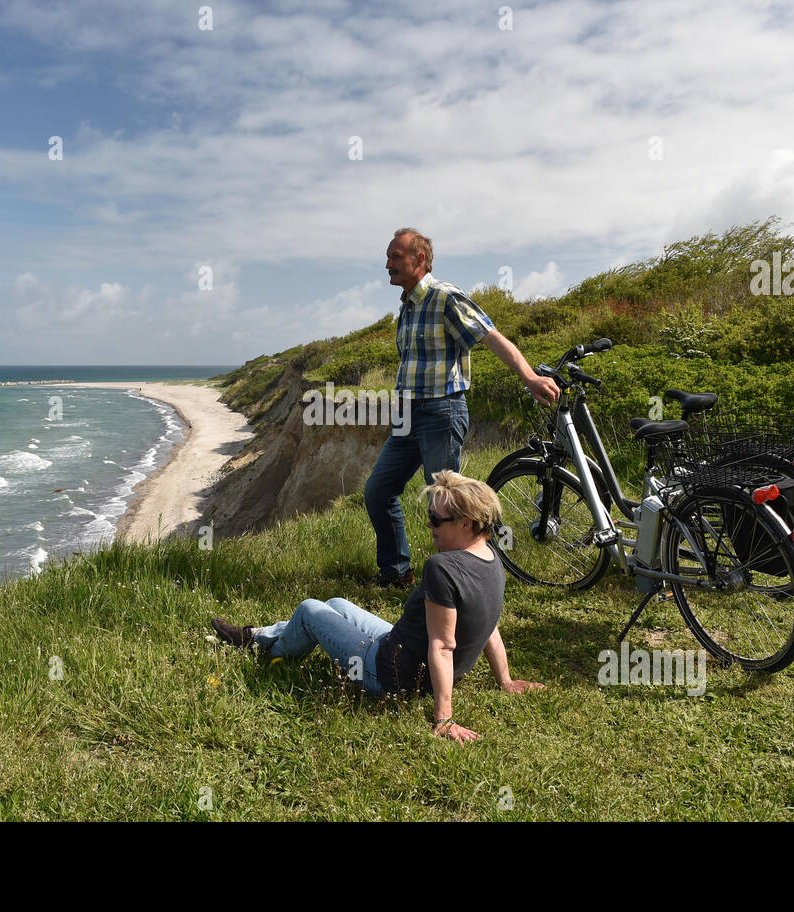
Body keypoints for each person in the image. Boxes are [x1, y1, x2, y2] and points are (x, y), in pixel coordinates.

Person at [211, 471, 544, 743]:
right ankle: (262, 634)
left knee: (311, 609)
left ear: (467, 523)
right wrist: (505, 680)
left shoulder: (442, 568)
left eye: (436, 519)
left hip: (389, 674)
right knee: (336, 603)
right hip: (402, 649)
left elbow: (443, 646)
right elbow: (489, 625)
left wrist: (444, 718)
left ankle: (265, 649)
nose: (429, 525)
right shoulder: (491, 560)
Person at [365, 228, 559, 587]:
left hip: (441, 411)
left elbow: (491, 336)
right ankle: (396, 572)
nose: (387, 263)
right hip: (408, 414)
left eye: (395, 256)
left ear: (419, 259)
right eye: (388, 256)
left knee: (445, 504)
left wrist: (529, 377)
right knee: (378, 490)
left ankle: (457, 582)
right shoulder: (408, 305)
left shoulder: (444, 297)